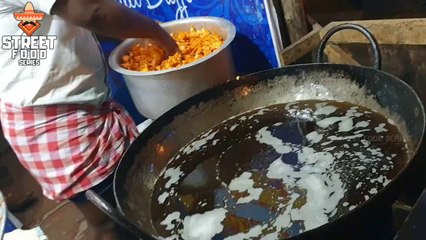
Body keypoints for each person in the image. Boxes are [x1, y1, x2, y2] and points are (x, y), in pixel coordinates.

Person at [0, 0, 178, 239]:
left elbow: (65, 25)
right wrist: (159, 35)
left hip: (42, 117)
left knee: (106, 217)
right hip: (60, 123)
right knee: (122, 213)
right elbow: (92, 12)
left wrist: (131, 35)